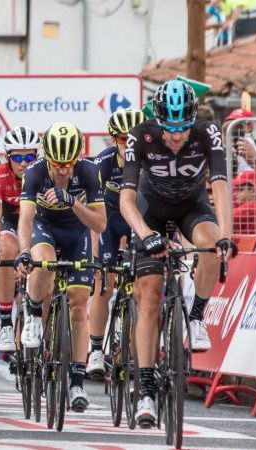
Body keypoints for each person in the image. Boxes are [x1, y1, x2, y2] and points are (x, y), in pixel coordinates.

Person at [119, 79, 236, 428]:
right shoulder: (140, 136)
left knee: (212, 243)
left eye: (182, 129)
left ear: (192, 120)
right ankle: (146, 390)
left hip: (191, 207)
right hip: (149, 211)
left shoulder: (207, 133)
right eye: (169, 129)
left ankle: (197, 316)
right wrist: (145, 235)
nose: (176, 137)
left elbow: (220, 186)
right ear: (158, 121)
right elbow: (126, 200)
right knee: (151, 298)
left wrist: (227, 236)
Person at [15, 122, 106, 413]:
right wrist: (24, 252)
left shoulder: (90, 172)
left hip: (76, 232)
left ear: (78, 157)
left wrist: (72, 203)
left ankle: (77, 382)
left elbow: (99, 223)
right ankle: (32, 310)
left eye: (69, 164)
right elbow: (26, 219)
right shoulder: (35, 172)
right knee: (45, 264)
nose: (64, 170)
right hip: (44, 227)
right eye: (57, 164)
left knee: (79, 306)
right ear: (48, 158)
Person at [87, 108, 145, 379]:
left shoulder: (150, 159)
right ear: (113, 141)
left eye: (135, 139)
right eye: (124, 140)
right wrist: (95, 256)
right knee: (103, 283)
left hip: (137, 219)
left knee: (142, 286)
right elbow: (93, 216)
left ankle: (136, 354)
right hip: (107, 220)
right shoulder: (102, 164)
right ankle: (96, 349)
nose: (129, 145)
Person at [0, 126, 40, 356]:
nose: (24, 163)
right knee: (5, 247)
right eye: (18, 158)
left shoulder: (42, 173)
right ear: (7, 158)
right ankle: (6, 323)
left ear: (37, 157)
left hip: (36, 223)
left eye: (29, 157)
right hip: (9, 223)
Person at [232, 169, 256, 234]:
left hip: (242, 244)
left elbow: (222, 220)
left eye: (240, 190)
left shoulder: (250, 207)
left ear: (252, 190)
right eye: (235, 190)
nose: (235, 194)